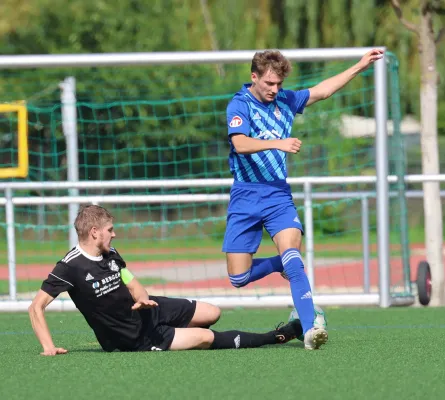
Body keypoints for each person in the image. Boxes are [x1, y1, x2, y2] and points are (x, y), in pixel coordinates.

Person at [223, 48, 384, 349]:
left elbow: (322, 91)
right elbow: (240, 143)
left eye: (279, 84)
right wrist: (278, 143)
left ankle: (311, 328)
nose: (275, 90)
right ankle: (278, 263)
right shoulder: (239, 104)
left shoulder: (285, 100)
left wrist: (360, 66)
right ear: (254, 77)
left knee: (294, 258)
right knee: (239, 278)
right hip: (245, 195)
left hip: (278, 195)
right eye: (269, 83)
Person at [28, 204, 303, 355]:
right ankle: (276, 336)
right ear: (95, 232)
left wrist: (143, 298)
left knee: (213, 312)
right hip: (133, 337)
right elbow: (36, 306)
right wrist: (48, 347)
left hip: (148, 310)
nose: (115, 235)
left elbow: (130, 280)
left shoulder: (110, 253)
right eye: (110, 230)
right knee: (206, 337)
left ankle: (177, 326)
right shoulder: (69, 267)